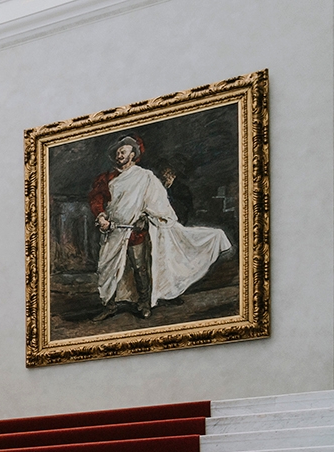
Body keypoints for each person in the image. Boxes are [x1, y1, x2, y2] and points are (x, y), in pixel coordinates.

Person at [89, 135, 230, 322]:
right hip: (113, 231)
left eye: (123, 151)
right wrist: (101, 216)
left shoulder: (145, 177)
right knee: (108, 268)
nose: (119, 154)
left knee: (140, 268)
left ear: (133, 154)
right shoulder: (105, 178)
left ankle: (144, 304)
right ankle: (109, 305)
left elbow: (159, 205)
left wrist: (145, 218)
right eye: (117, 152)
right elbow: (96, 199)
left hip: (135, 232)